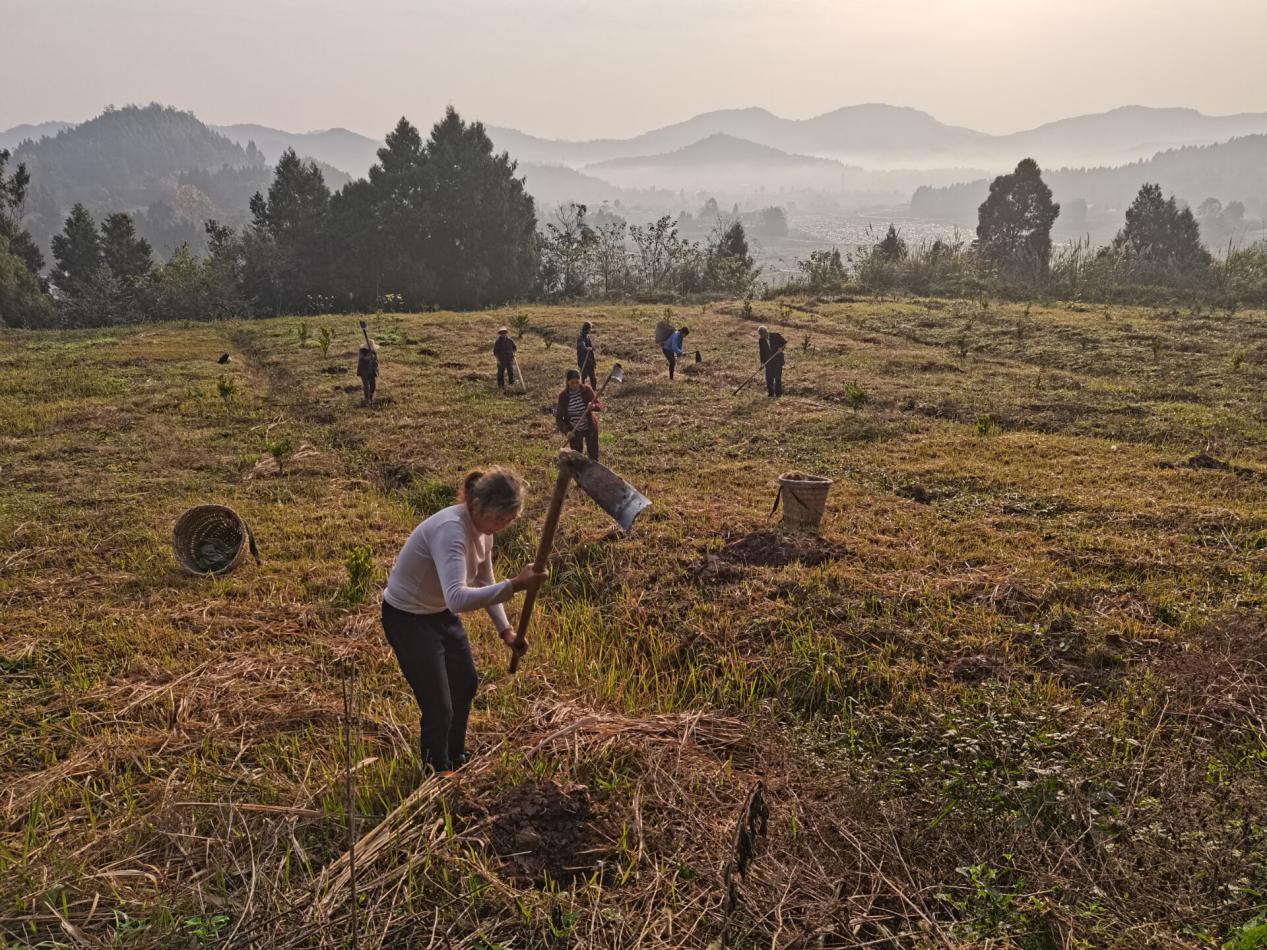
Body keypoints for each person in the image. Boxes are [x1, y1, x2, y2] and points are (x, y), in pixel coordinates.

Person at [381, 468, 547, 772]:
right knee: (439, 706)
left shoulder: (483, 532)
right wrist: (516, 585)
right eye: (498, 519)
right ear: (477, 505)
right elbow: (457, 597)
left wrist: (506, 631)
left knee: (466, 683)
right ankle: (437, 771)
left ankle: (455, 755)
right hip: (407, 618)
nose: (500, 527)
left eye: (507, 522)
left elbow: (484, 579)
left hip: (438, 613)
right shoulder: (452, 531)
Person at [555, 369, 602, 461]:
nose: (575, 385)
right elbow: (559, 419)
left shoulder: (586, 390)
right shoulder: (563, 396)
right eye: (572, 383)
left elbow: (600, 406)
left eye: (577, 382)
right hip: (574, 430)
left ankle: (593, 473)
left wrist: (593, 406)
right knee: (576, 458)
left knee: (593, 457)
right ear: (567, 382)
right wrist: (567, 431)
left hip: (590, 427)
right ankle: (579, 474)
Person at [758, 326, 787, 397]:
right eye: (761, 335)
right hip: (768, 362)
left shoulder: (776, 335)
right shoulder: (761, 340)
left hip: (778, 361)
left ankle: (778, 394)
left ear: (766, 332)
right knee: (769, 378)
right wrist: (762, 363)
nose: (762, 337)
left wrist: (781, 349)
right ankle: (770, 394)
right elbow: (762, 352)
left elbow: (784, 342)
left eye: (763, 335)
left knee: (777, 378)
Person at [357, 339, 379, 404]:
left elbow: (376, 361)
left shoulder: (374, 352)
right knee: (366, 385)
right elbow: (361, 357)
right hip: (364, 370)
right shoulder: (362, 351)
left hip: (372, 370)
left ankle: (370, 397)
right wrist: (368, 356)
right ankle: (366, 399)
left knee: (373, 386)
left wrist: (373, 357)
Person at [576, 321, 597, 387]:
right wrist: (588, 348)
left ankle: (594, 391)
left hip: (590, 360)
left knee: (593, 377)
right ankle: (582, 390)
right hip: (583, 360)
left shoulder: (587, 336)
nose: (590, 330)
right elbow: (582, 347)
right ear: (587, 328)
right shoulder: (581, 337)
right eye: (590, 328)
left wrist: (593, 361)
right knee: (583, 376)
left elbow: (590, 349)